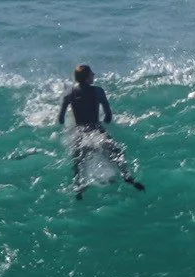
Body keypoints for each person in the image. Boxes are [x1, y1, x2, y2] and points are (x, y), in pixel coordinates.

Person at [57, 64, 144, 196]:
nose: (94, 75)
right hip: (96, 131)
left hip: (80, 133)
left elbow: (61, 119)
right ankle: (127, 177)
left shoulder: (68, 93)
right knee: (117, 153)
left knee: (78, 162)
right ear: (87, 78)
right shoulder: (98, 91)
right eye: (92, 73)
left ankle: (79, 188)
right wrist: (107, 122)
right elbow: (108, 115)